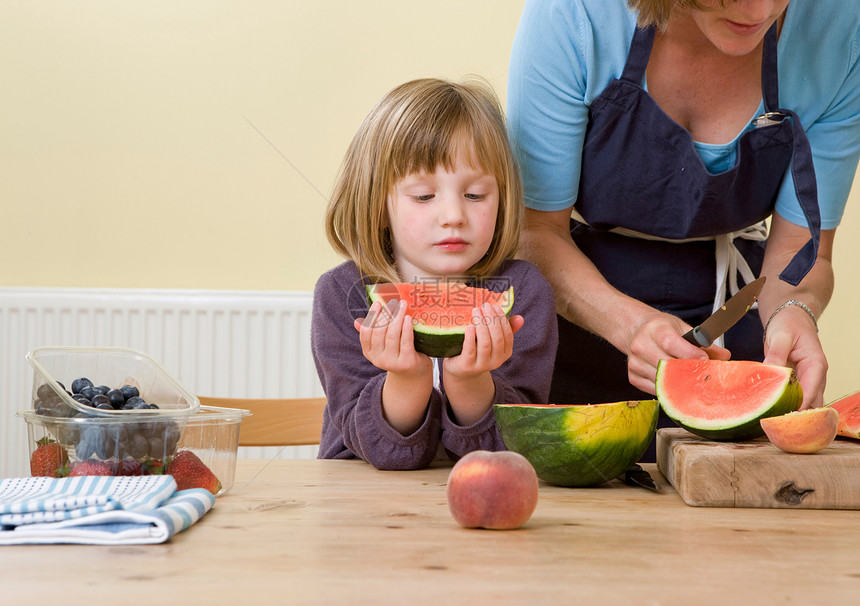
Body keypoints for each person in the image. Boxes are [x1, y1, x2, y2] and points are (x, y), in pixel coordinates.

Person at [507, 0, 860, 459]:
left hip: (732, 316)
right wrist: (628, 323)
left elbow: (801, 249)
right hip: (575, 321)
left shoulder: (841, 25)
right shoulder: (575, 14)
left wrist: (794, 310)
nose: (760, 9)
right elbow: (534, 232)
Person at [312, 78, 559, 470]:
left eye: (475, 195)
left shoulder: (523, 291)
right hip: (364, 508)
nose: (453, 217)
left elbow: (516, 448)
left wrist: (468, 381)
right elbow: (379, 454)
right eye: (425, 196)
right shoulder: (343, 294)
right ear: (378, 203)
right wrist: (408, 379)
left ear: (503, 198)